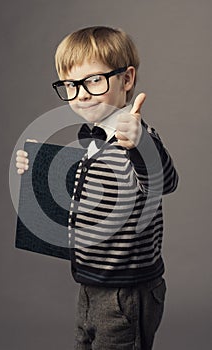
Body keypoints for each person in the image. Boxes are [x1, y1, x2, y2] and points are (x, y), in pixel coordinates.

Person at [15, 26, 179, 350]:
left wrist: (140, 143)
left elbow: (164, 181)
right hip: (89, 283)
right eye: (71, 85)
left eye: (94, 80)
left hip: (126, 291)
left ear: (126, 80)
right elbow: (86, 197)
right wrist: (36, 169)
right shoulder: (89, 137)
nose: (82, 94)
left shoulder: (136, 139)